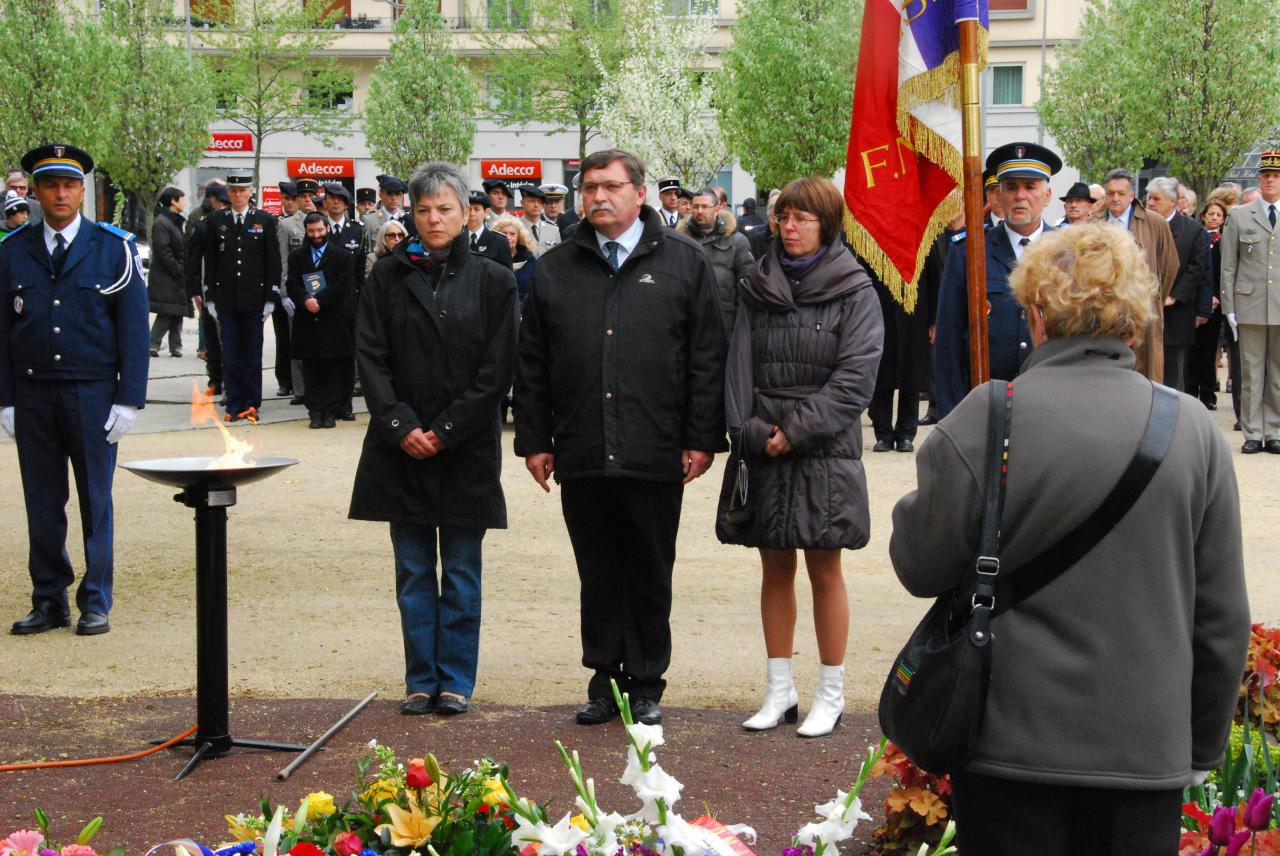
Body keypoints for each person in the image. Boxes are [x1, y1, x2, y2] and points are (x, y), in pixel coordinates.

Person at [889, 222, 1249, 855]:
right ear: (1135, 318)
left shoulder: (988, 413)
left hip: (1009, 744)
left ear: (1035, 312)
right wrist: (1199, 747)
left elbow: (919, 564)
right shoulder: (1192, 428)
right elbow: (1221, 620)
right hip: (1144, 748)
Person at [513, 148, 726, 728]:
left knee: (651, 568)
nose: (598, 197)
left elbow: (707, 356)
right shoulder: (557, 268)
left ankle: (648, 681)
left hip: (655, 446)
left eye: (610, 186)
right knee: (598, 570)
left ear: (640, 193)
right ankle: (605, 679)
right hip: (581, 446)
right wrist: (534, 438)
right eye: (588, 189)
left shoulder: (685, 262)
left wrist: (701, 437)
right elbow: (532, 362)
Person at [716, 177, 883, 738]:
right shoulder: (754, 285)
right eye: (784, 217)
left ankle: (830, 692)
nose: (790, 227)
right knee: (773, 566)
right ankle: (778, 688)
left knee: (825, 567)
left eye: (803, 218)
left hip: (824, 450)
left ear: (827, 224)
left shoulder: (856, 289)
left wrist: (795, 430)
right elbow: (737, 367)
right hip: (764, 445)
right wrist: (752, 431)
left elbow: (855, 379)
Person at [350, 161, 517, 718]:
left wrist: (445, 431)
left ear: (466, 210)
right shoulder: (387, 275)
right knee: (415, 572)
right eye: (423, 209)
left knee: (463, 572)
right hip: (402, 450)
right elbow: (370, 358)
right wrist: (401, 426)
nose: (433, 218)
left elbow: (497, 369)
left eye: (444, 208)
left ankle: (456, 680)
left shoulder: (494, 278)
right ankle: (420, 678)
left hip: (463, 448)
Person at [0, 143, 149, 637]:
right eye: (50, 185)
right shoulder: (13, 249)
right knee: (42, 503)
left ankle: (95, 599)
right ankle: (49, 599)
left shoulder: (112, 247)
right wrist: (5, 399)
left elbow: (132, 329)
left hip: (93, 393)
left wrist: (129, 398)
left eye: (69, 185)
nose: (60, 194)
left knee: (95, 500)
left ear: (83, 191)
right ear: (36, 192)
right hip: (34, 393)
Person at [934, 142, 1060, 418]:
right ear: (997, 196)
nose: (1020, 196)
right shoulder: (969, 253)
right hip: (985, 404)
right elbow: (948, 341)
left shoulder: (1067, 253)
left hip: (1052, 404)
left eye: (1030, 187)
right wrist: (952, 416)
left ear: (1048, 195)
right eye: (1011, 187)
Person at [202, 169, 281, 423]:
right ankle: (234, 403)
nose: (238, 195)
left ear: (251, 192)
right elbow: (211, 261)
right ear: (229, 193)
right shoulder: (217, 220)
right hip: (226, 298)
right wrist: (210, 296)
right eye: (234, 191)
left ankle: (251, 403)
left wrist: (271, 296)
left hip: (254, 298)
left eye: (242, 190)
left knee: (252, 354)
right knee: (231, 353)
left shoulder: (265, 220)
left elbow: (272, 261)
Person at [1095, 168, 1179, 382]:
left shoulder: (1155, 222)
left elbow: (1169, 265)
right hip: (1103, 309)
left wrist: (1155, 299)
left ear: (1132, 195)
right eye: (1110, 193)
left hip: (1142, 309)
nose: (1115, 198)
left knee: (1144, 371)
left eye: (1121, 193)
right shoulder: (1093, 223)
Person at [1221, 151, 1280, 454]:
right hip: (1251, 304)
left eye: (1276, 176)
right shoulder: (1241, 215)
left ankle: (1275, 430)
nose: (1271, 180)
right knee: (1251, 373)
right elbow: (1229, 264)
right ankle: (1252, 432)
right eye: (1266, 175)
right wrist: (1229, 306)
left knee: (1278, 373)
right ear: (1259, 178)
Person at [286, 212, 354, 429]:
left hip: (333, 318)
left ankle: (331, 411)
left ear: (327, 229)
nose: (316, 235)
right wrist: (305, 299)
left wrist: (320, 300)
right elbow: (292, 283)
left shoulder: (341, 256)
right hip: (307, 319)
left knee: (333, 368)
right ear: (306, 231)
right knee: (311, 368)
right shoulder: (297, 256)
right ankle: (315, 411)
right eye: (312, 231)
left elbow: (343, 284)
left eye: (320, 230)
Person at [1145, 176, 1209, 392]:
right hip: (1143, 310)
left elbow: (1197, 268)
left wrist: (1173, 296)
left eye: (1156, 199)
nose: (1151, 203)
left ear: (1172, 201)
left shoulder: (1192, 230)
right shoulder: (1141, 225)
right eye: (1149, 198)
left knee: (1173, 370)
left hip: (1176, 313)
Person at [677, 186, 753, 339]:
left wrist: (740, 331)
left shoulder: (737, 242)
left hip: (726, 330)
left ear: (717, 208)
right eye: (695, 206)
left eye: (705, 207)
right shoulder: (680, 241)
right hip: (689, 331)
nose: (699, 211)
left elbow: (747, 289)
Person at [1191, 199, 1231, 413]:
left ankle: (1207, 393)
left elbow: (1225, 271)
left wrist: (1217, 296)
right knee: (1193, 349)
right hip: (1196, 300)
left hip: (1217, 302)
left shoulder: (1225, 241)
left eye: (1219, 215)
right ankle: (1191, 391)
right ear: (1204, 215)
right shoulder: (1197, 237)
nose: (1215, 217)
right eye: (1211, 214)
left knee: (1209, 350)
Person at [148, 186, 191, 359]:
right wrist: (178, 268)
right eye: (182, 199)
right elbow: (163, 250)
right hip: (167, 274)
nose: (184, 202)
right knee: (168, 311)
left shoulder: (172, 221)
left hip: (174, 272)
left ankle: (175, 346)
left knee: (177, 308)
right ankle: (152, 343)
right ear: (173, 201)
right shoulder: (162, 222)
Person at [276, 181, 307, 405]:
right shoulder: (284, 225)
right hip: (293, 292)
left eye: (295, 198)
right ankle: (294, 385)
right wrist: (284, 293)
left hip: (318, 292)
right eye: (288, 198)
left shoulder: (319, 220)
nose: (292, 202)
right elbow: (283, 262)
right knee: (291, 340)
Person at [493, 213, 537, 311]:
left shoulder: (530, 261)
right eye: (504, 233)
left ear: (519, 237)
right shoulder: (490, 259)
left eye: (512, 234)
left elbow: (535, 290)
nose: (508, 237)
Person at [464, 190, 513, 268]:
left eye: (477, 209)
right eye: (469, 209)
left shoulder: (500, 241)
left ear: (485, 212)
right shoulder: (455, 239)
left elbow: (507, 275)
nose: (472, 213)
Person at [516, 185, 560, 255]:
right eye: (532, 201)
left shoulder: (554, 230)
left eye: (539, 202)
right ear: (522, 203)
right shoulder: (514, 228)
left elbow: (558, 255)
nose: (536, 205)